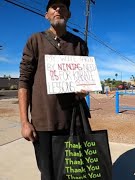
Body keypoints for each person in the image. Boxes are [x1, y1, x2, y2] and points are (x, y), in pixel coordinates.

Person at [18, 0, 89, 179]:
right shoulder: (35, 40)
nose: (58, 9)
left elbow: (84, 80)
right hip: (44, 122)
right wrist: (25, 122)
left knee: (74, 172)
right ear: (47, 15)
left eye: (62, 7)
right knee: (48, 173)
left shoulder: (79, 44)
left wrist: (84, 89)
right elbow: (24, 82)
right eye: (53, 7)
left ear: (69, 14)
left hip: (74, 121)